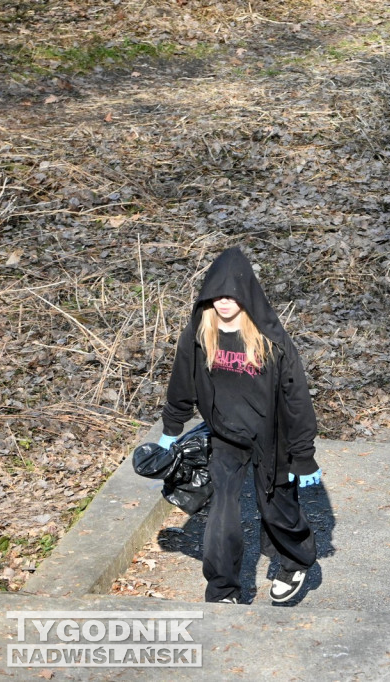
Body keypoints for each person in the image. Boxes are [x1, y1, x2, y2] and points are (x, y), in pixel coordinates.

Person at [157, 247, 322, 604]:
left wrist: (303, 455)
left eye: (232, 295)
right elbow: (181, 383)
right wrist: (171, 428)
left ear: (246, 294)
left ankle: (295, 563)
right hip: (225, 436)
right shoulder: (201, 333)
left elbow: (297, 398)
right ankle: (223, 590)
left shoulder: (270, 338)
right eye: (218, 295)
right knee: (222, 513)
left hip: (271, 436)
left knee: (278, 508)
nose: (224, 302)